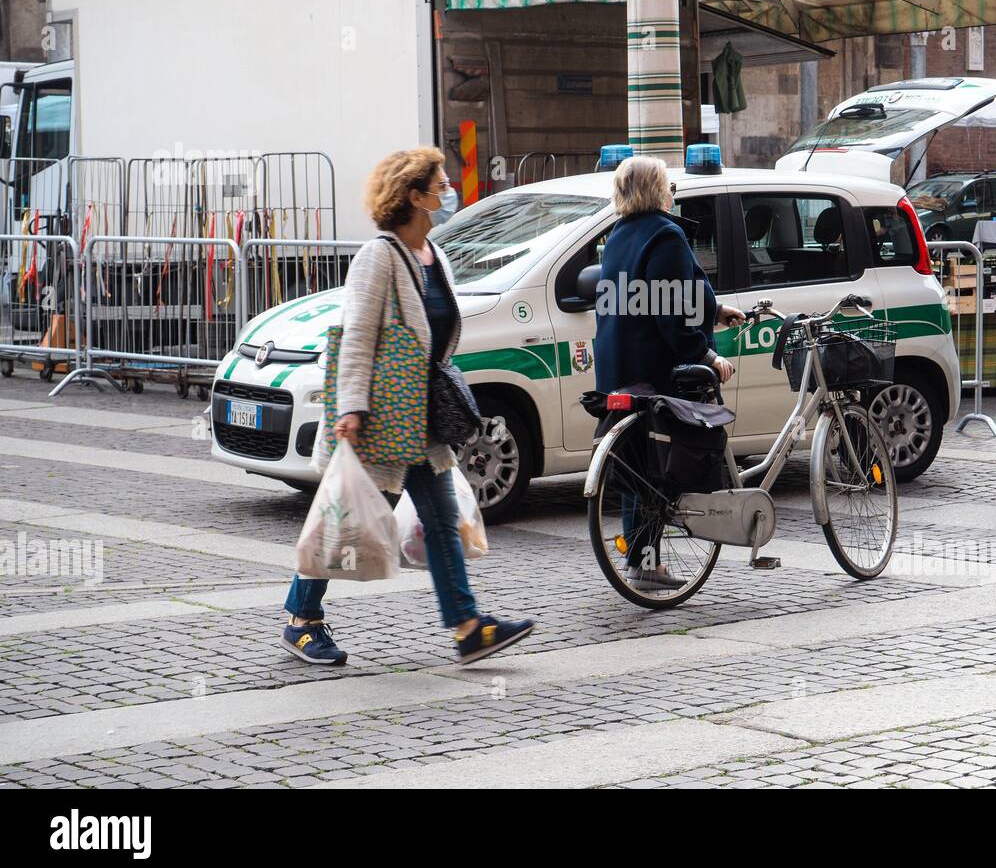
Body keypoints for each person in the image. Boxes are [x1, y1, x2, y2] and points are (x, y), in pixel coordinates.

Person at [280, 147, 534, 665]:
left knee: (441, 520)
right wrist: (351, 408)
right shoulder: (379, 256)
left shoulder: (430, 253)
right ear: (413, 196)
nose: (448, 191)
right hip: (378, 418)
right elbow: (356, 336)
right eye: (440, 184)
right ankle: (302, 620)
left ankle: (467, 627)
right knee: (345, 521)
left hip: (419, 418)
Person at [594, 156, 744, 590]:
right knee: (659, 463)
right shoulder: (666, 234)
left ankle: (640, 559)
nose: (673, 193)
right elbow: (673, 312)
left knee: (634, 462)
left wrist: (715, 310)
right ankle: (646, 561)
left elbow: (653, 293)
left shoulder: (620, 234)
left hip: (616, 362)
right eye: (669, 185)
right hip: (652, 366)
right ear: (655, 191)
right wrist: (708, 357)